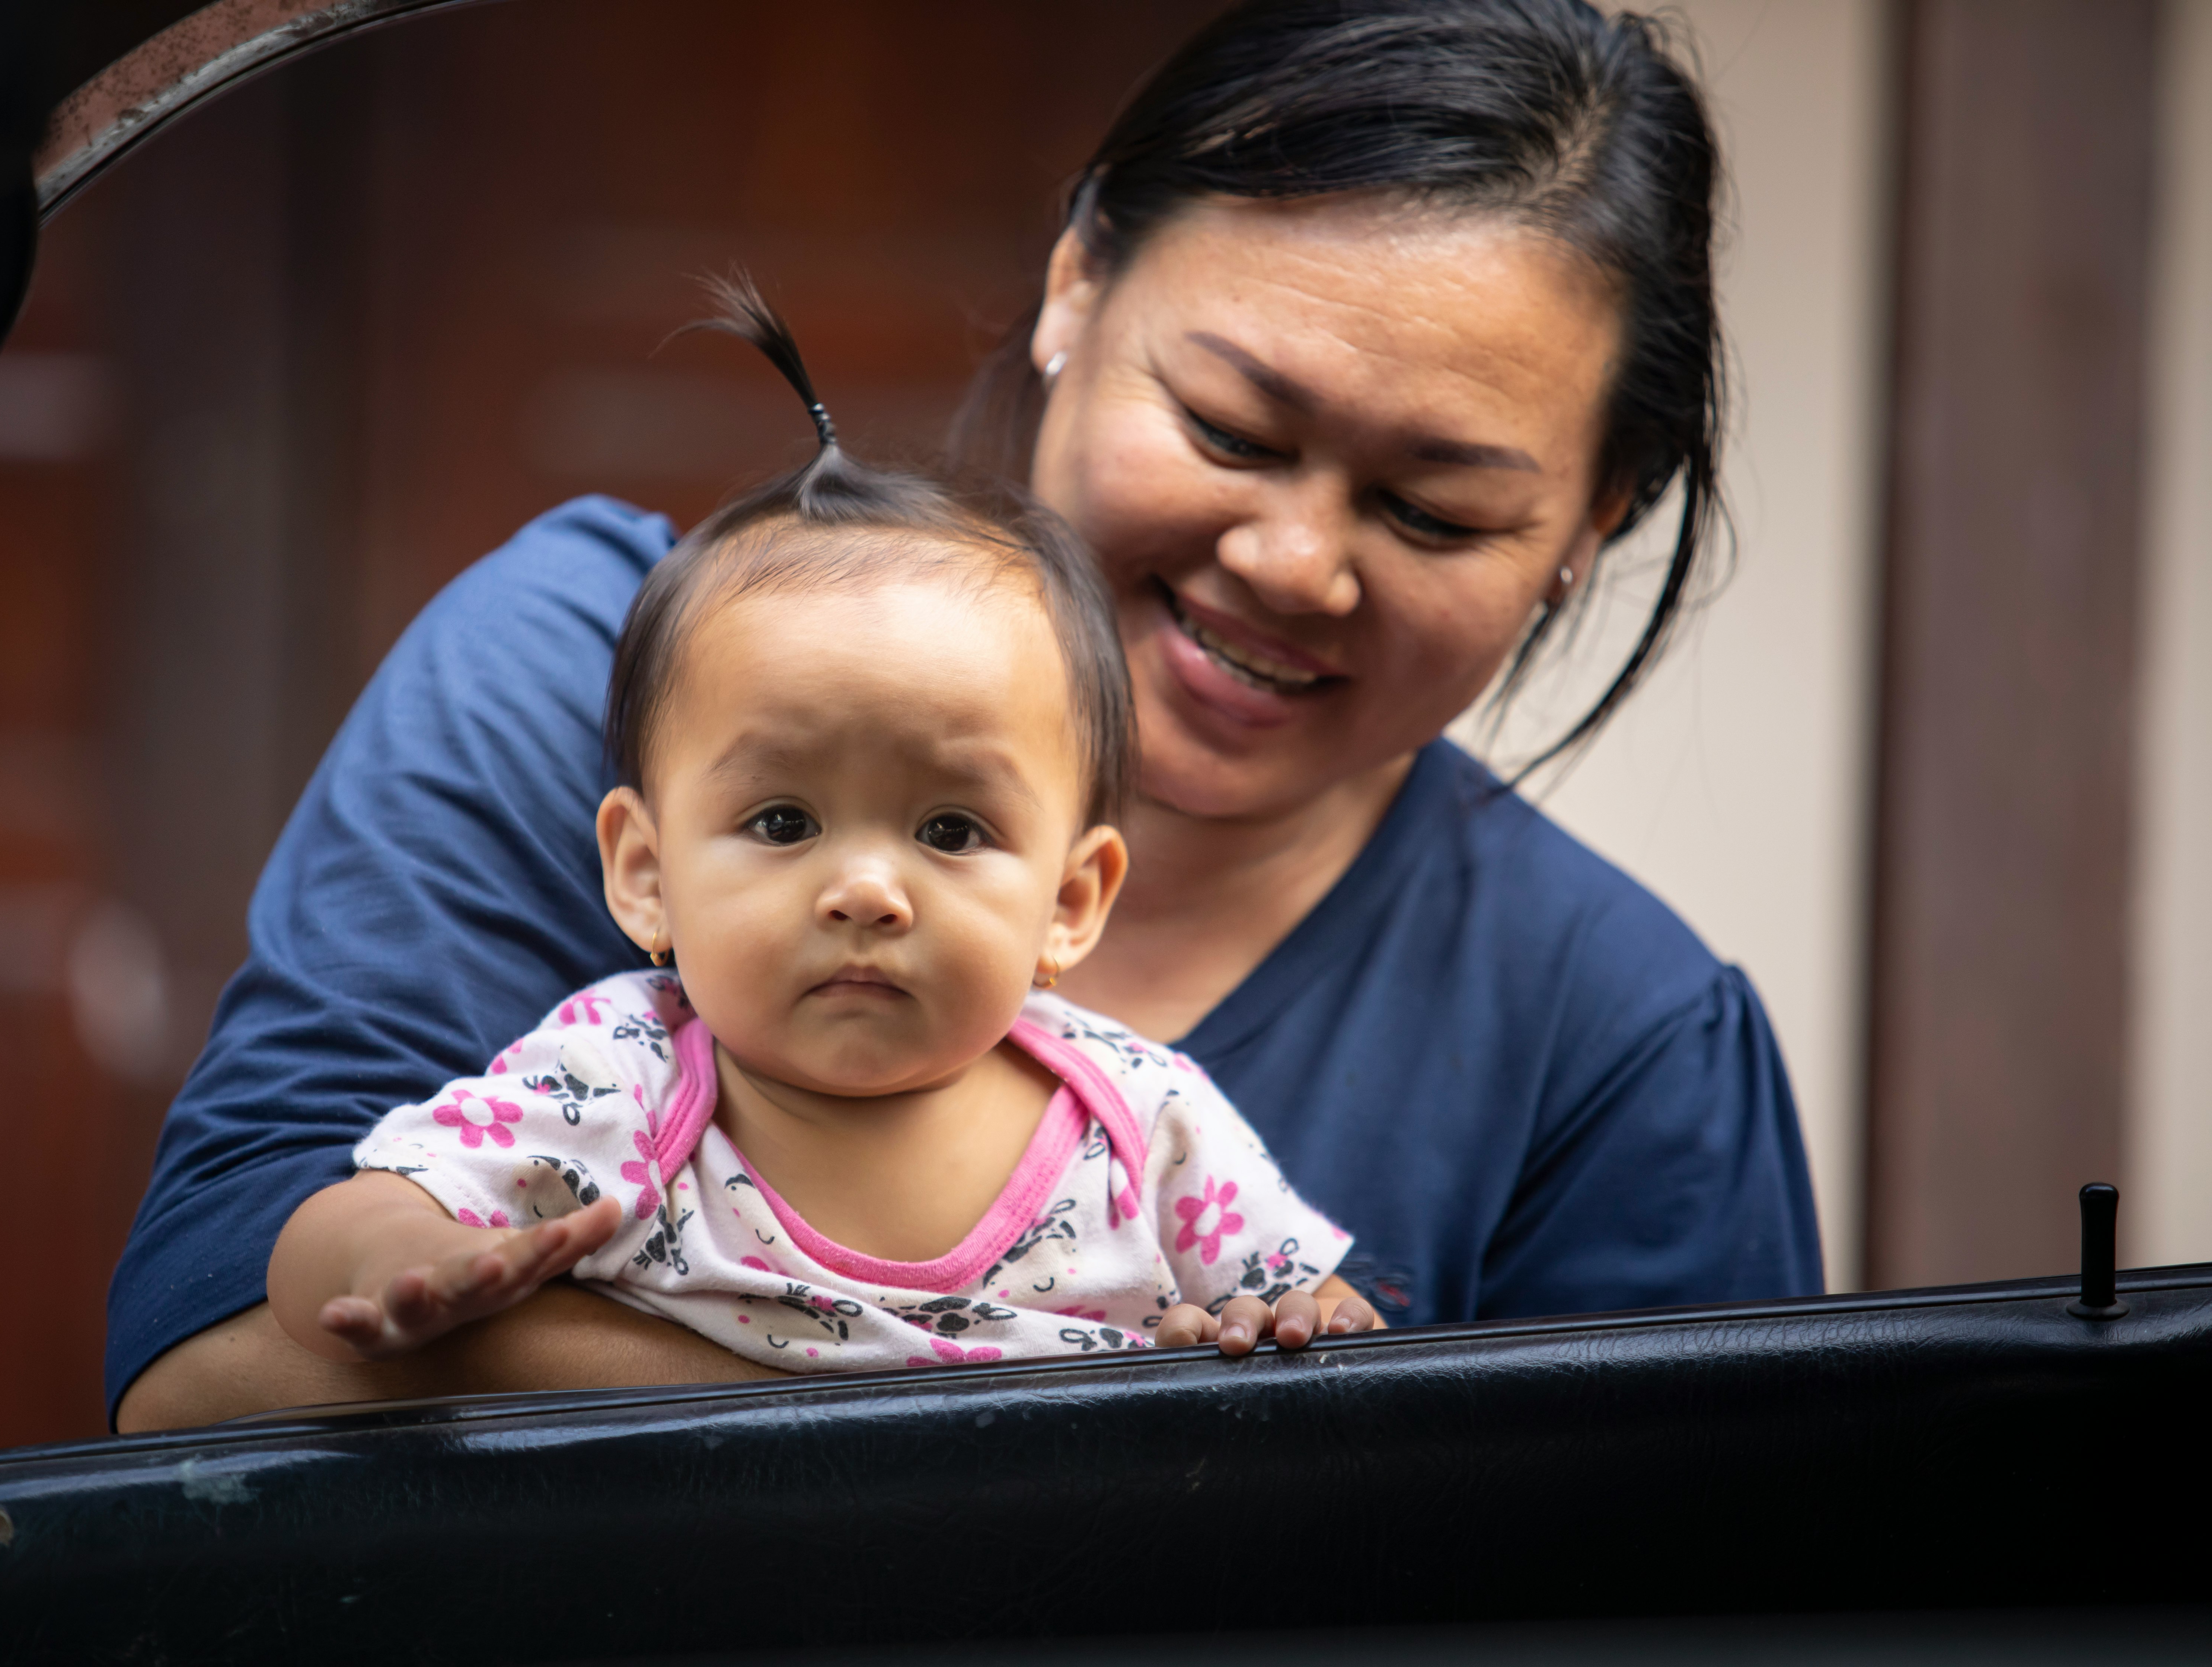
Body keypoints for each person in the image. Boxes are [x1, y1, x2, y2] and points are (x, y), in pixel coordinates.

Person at [112, 0, 1821, 1432]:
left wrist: (566, 1370)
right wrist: (1097, 1435)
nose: (1296, 562)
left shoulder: (1622, 1055)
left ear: (1592, 529)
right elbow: (213, 1362)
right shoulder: (574, 679)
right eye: (1230, 425)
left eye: (1436, 512)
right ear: (1079, 283)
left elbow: (1659, 1579)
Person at [264, 287, 1377, 1371]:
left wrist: (1288, 1330)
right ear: (646, 875)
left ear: (1071, 901)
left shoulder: (1143, 1120)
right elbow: (326, 1246)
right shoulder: (616, 1089)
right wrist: (412, 1264)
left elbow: (1313, 1318)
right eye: (784, 821)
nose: (866, 892)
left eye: (949, 830)